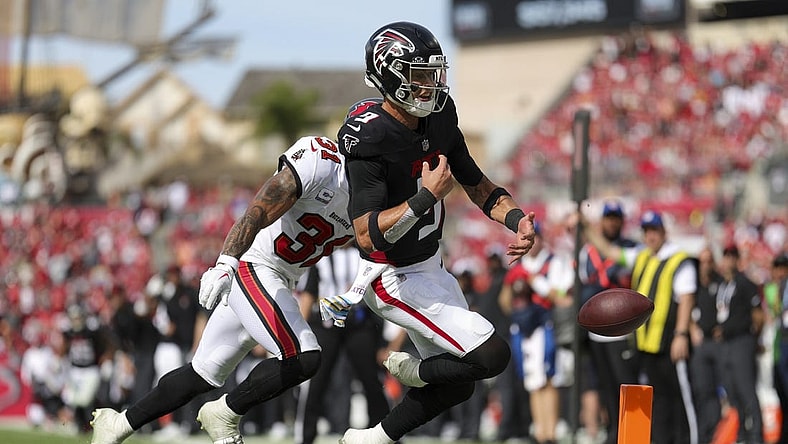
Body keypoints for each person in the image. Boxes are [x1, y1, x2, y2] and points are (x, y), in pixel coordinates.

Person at [320, 21, 536, 444]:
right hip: (391, 278)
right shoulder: (370, 136)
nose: (431, 85)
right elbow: (366, 235)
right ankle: (414, 371)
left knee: (460, 382)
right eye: (419, 76)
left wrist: (517, 219)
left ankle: (370, 440)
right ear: (390, 75)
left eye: (434, 74)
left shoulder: (439, 116)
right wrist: (426, 198)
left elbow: (475, 181)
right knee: (492, 354)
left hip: (431, 268)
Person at [89, 127, 360, 444]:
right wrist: (226, 261)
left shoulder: (374, 197)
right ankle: (227, 411)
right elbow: (258, 209)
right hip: (255, 265)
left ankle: (119, 423)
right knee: (304, 356)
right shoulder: (322, 160)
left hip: (282, 278)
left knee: (202, 372)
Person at [582, 210, 698, 444]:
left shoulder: (678, 259)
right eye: (646, 232)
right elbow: (609, 251)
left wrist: (681, 334)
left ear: (664, 231)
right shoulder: (642, 256)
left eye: (654, 231)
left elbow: (686, 298)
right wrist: (584, 226)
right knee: (658, 400)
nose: (650, 236)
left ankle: (690, 440)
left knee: (681, 398)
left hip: (669, 341)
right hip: (646, 343)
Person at [295, 243, 390, 444]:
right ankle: (306, 437)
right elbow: (309, 294)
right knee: (317, 381)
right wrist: (299, 334)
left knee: (370, 379)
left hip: (358, 323)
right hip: (326, 324)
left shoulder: (364, 256)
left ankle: (386, 434)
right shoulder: (321, 256)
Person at [499, 222, 574, 444]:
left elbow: (561, 298)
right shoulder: (517, 267)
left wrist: (532, 281)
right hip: (524, 330)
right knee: (533, 381)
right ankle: (540, 431)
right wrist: (513, 290)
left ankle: (550, 431)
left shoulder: (555, 263)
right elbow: (504, 302)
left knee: (548, 379)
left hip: (545, 327)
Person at [577, 200, 639, 444]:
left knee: (626, 382)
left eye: (616, 218)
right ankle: (614, 430)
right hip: (598, 330)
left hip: (624, 330)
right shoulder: (587, 253)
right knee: (606, 384)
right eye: (609, 217)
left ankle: (631, 432)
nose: (612, 222)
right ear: (602, 220)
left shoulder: (632, 248)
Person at [692, 245, 763, 444]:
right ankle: (741, 434)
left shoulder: (745, 283)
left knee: (747, 390)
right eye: (726, 256)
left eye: (732, 256)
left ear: (738, 259)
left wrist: (754, 339)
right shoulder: (723, 284)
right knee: (732, 391)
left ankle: (757, 435)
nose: (729, 260)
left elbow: (758, 315)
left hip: (741, 340)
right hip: (726, 343)